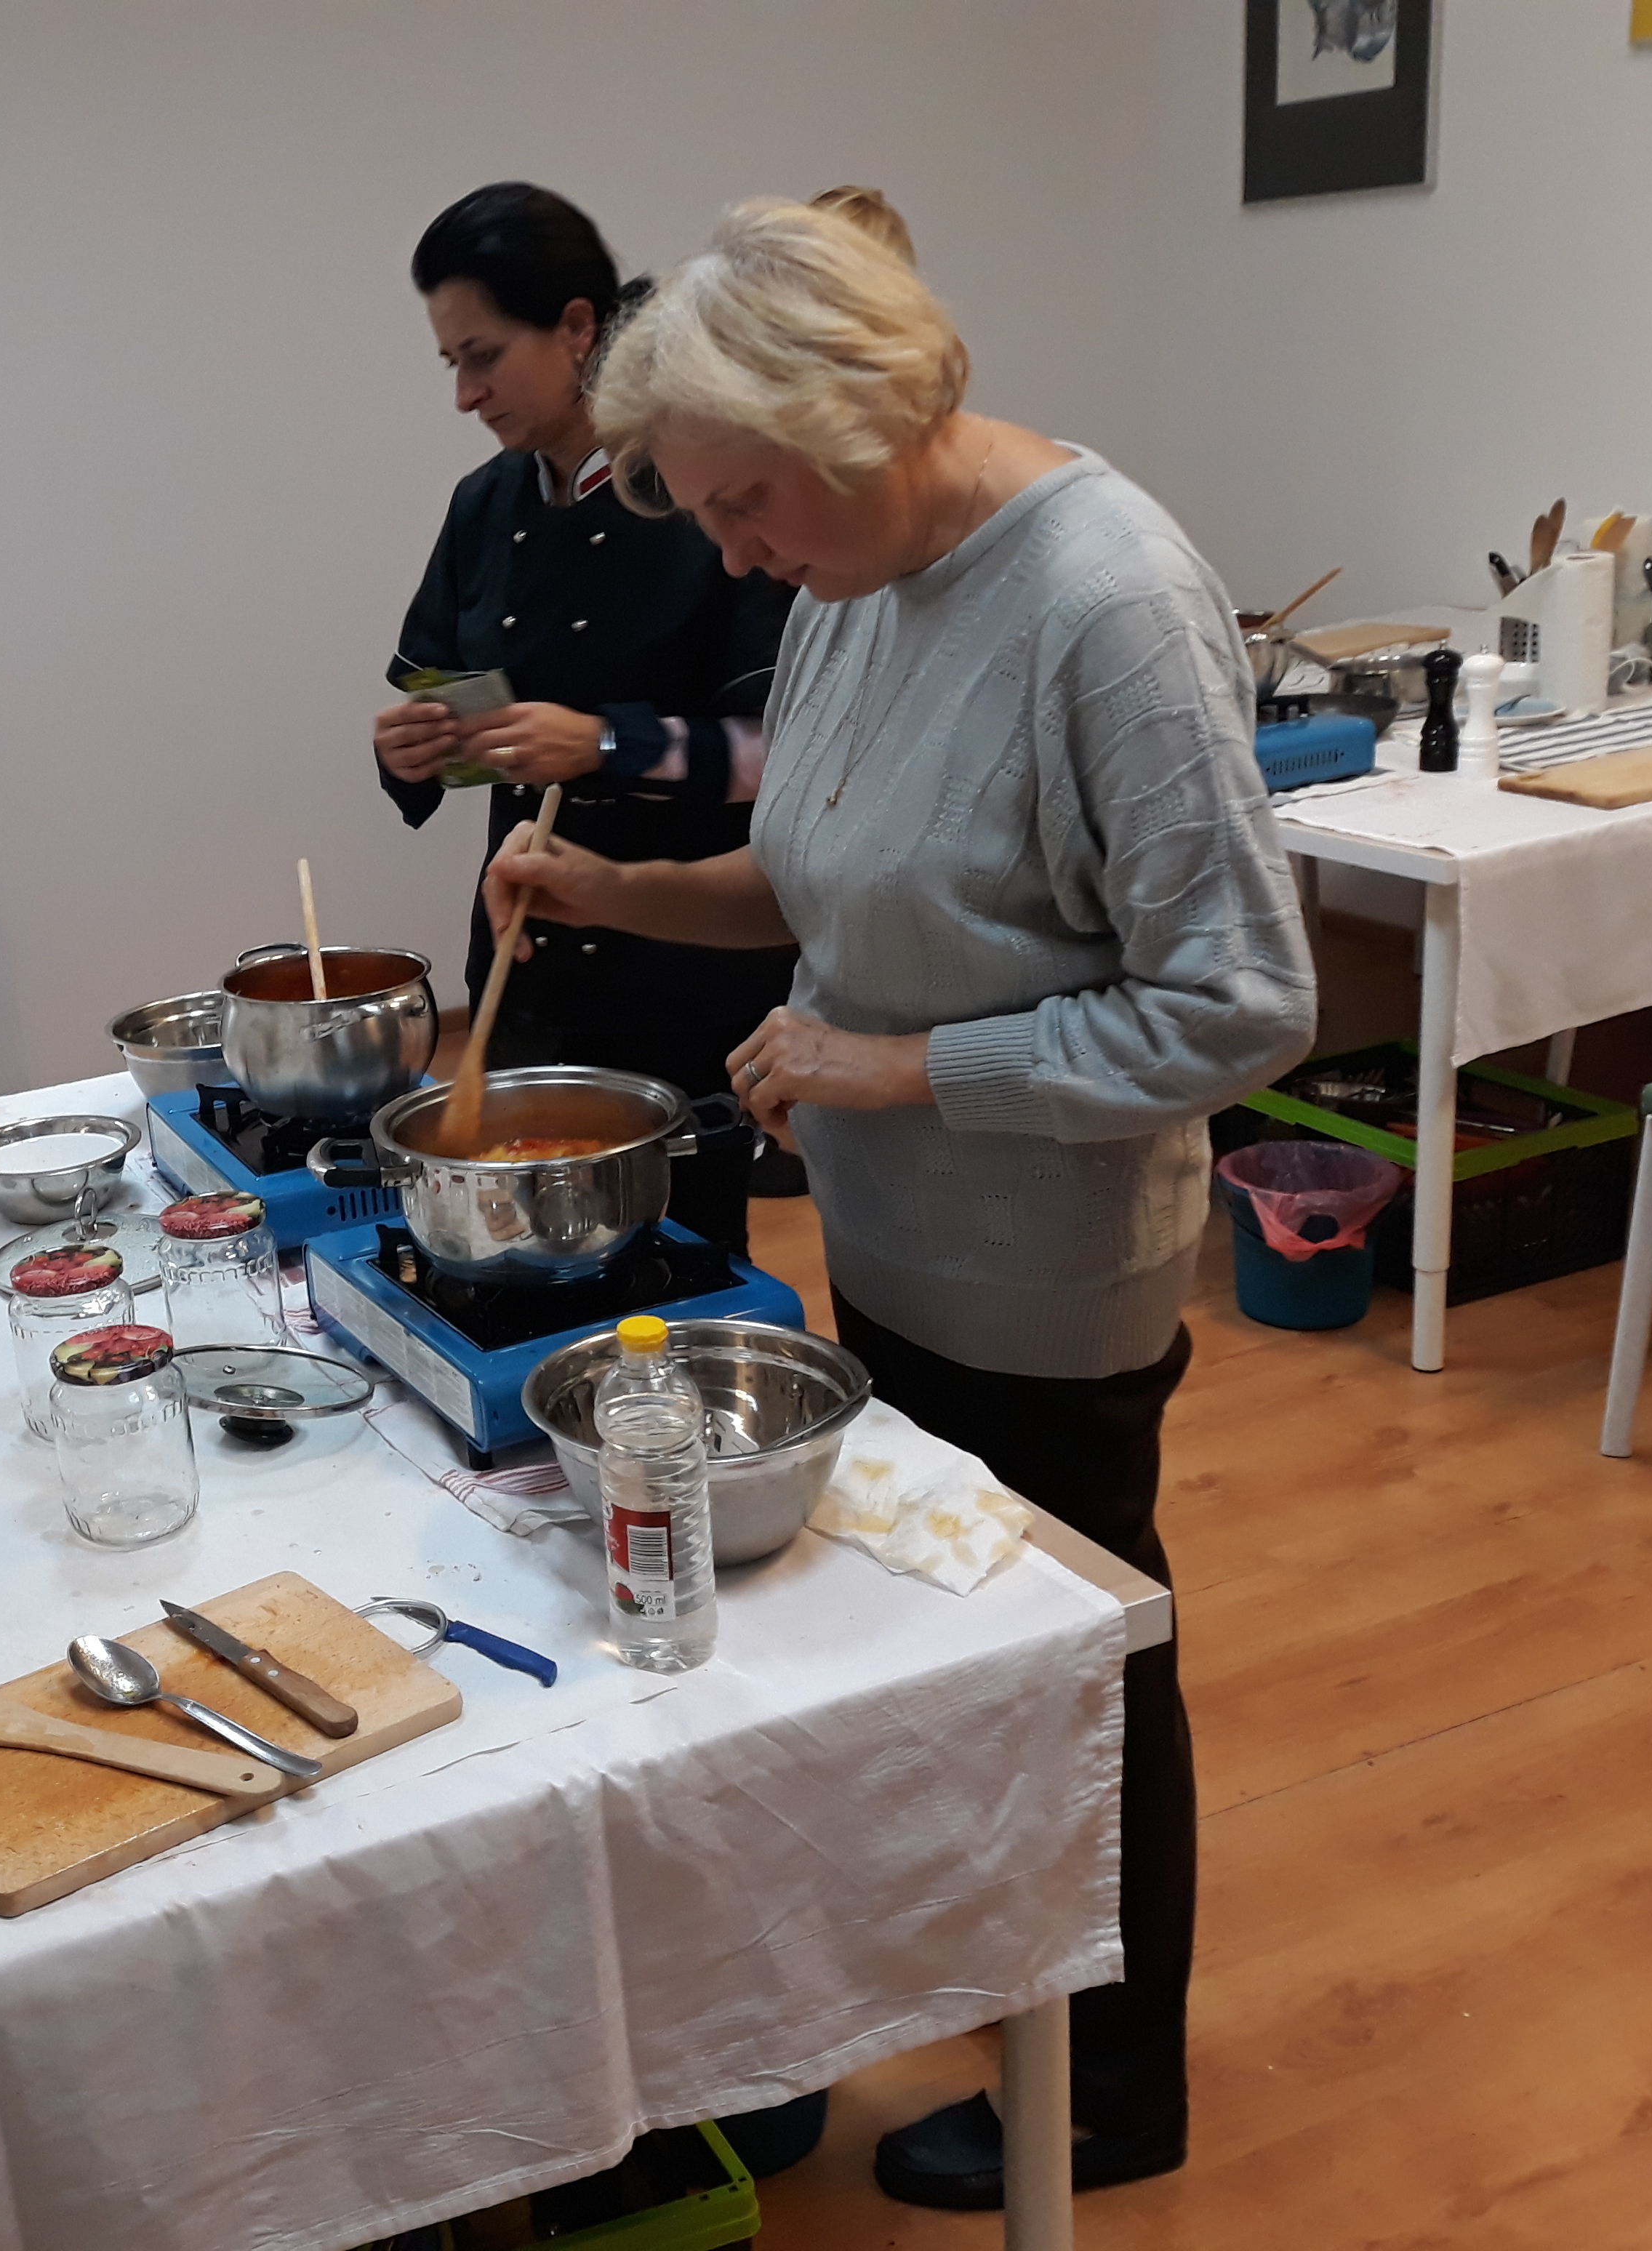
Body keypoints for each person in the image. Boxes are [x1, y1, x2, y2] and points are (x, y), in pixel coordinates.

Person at [486, 198, 1317, 2208]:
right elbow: (825, 873)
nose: (733, 556)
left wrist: (895, 1066)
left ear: (853, 419)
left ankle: (1112, 2095)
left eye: (744, 506)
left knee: (1081, 1654)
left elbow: (1239, 1003)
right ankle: (1011, 1986)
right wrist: (610, 886)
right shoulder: (850, 573)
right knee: (955, 1643)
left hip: (1045, 1263)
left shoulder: (1107, 605)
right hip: (892, 1228)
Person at [372, 182, 798, 1235]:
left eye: (484, 356)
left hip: (685, 967)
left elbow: (776, 756)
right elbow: (466, 714)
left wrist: (605, 743)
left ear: (576, 327)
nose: (466, 395)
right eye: (451, 363)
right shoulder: (486, 505)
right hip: (525, 959)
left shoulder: (700, 493)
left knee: (681, 1251)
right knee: (525, 1242)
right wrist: (425, 746)